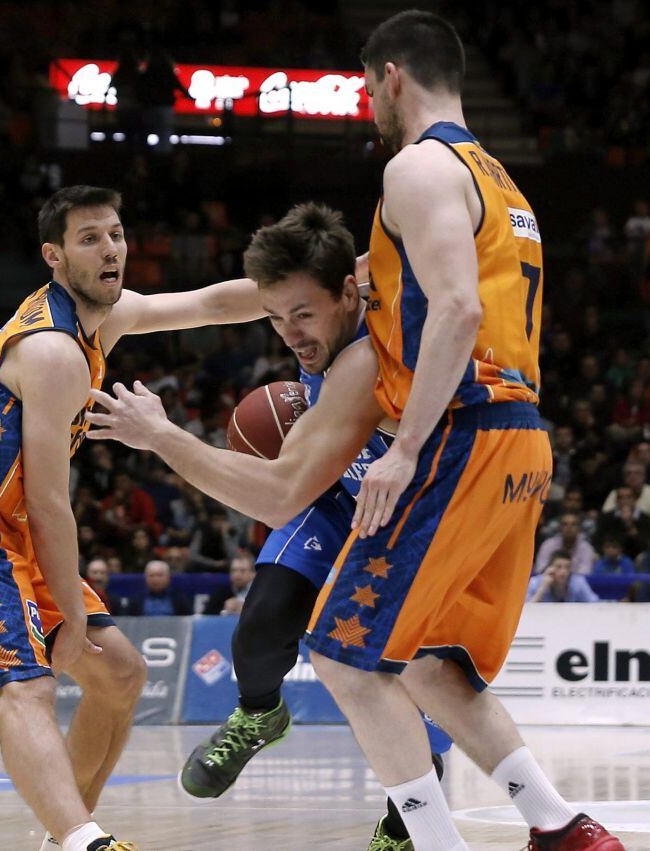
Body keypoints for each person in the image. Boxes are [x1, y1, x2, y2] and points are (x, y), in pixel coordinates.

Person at [86, 12, 624, 850]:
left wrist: (406, 446)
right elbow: (241, 296)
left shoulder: (416, 168)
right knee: (427, 661)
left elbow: (456, 308)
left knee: (341, 653)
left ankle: (433, 840)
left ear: (390, 76)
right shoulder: (500, 187)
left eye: (367, 85)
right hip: (521, 441)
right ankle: (562, 827)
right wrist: (130, 313)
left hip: (458, 432)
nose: (368, 101)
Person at [0, 184, 266, 851]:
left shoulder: (106, 317)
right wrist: (67, 615)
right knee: (29, 681)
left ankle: (63, 835)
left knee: (120, 672)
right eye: (89, 237)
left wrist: (318, 285)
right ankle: (84, 839)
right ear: (54, 257)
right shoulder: (53, 350)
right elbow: (47, 500)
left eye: (116, 234)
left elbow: (209, 302)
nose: (110, 249)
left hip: (9, 525)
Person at [89, 202, 451, 850]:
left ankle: (406, 825)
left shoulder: (373, 353)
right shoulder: (310, 294)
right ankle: (260, 713)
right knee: (262, 621)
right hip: (346, 488)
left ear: (348, 294)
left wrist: (162, 434)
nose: (285, 331)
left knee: (411, 685)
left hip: (421, 515)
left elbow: (282, 493)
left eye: (300, 315)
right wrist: (117, 313)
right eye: (275, 314)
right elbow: (206, 305)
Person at [527, 552, 600, 602]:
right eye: (558, 567)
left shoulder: (578, 582)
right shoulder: (535, 582)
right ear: (550, 568)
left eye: (567, 567)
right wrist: (543, 587)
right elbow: (526, 610)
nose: (563, 572)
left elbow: (595, 603)